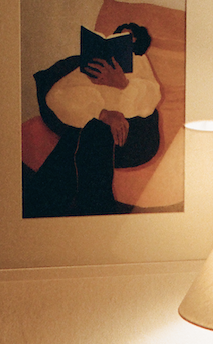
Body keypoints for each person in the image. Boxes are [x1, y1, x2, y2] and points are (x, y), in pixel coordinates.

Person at [24, 22, 162, 218]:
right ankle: (46, 211)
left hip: (134, 137)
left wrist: (124, 85)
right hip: (96, 132)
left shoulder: (140, 62)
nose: (127, 43)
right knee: (87, 134)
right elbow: (57, 96)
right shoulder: (96, 64)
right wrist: (102, 113)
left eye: (131, 39)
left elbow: (151, 99)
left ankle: (47, 209)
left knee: (93, 133)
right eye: (120, 38)